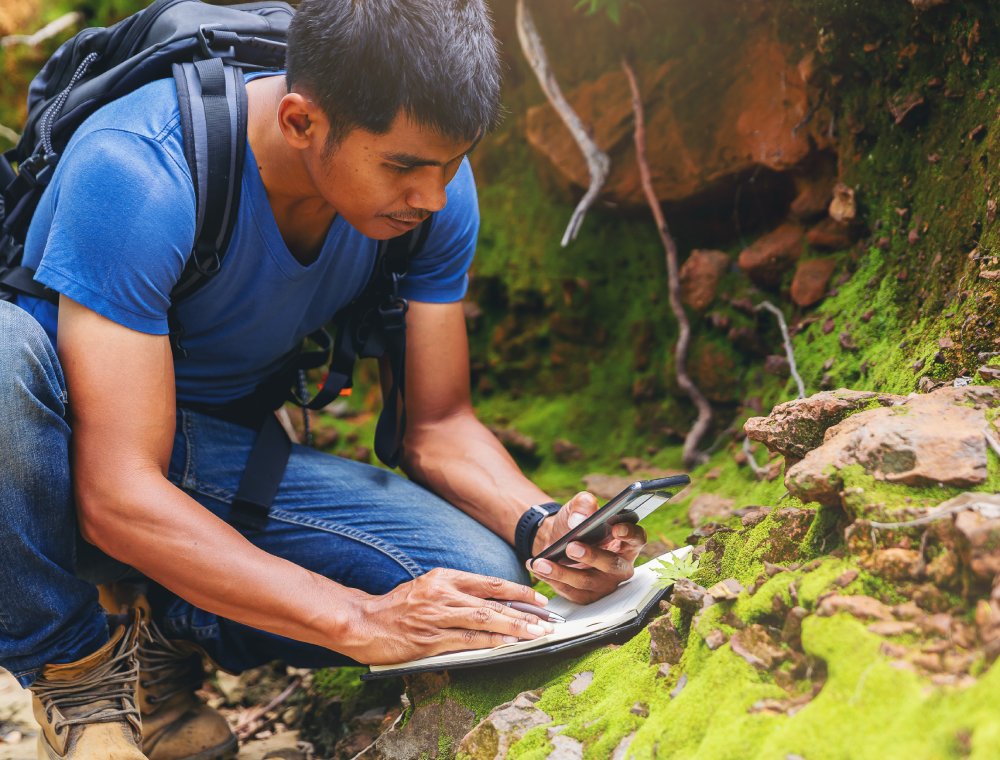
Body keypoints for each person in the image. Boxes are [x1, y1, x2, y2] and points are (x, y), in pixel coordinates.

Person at [0, 1, 647, 758]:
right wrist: (357, 619)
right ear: (302, 121)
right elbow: (116, 493)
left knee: (484, 586)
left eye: (451, 162)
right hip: (57, 444)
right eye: (404, 166)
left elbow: (436, 425)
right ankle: (78, 674)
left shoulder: (432, 194)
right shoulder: (140, 166)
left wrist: (545, 529)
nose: (432, 197)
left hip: (211, 449)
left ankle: (160, 629)